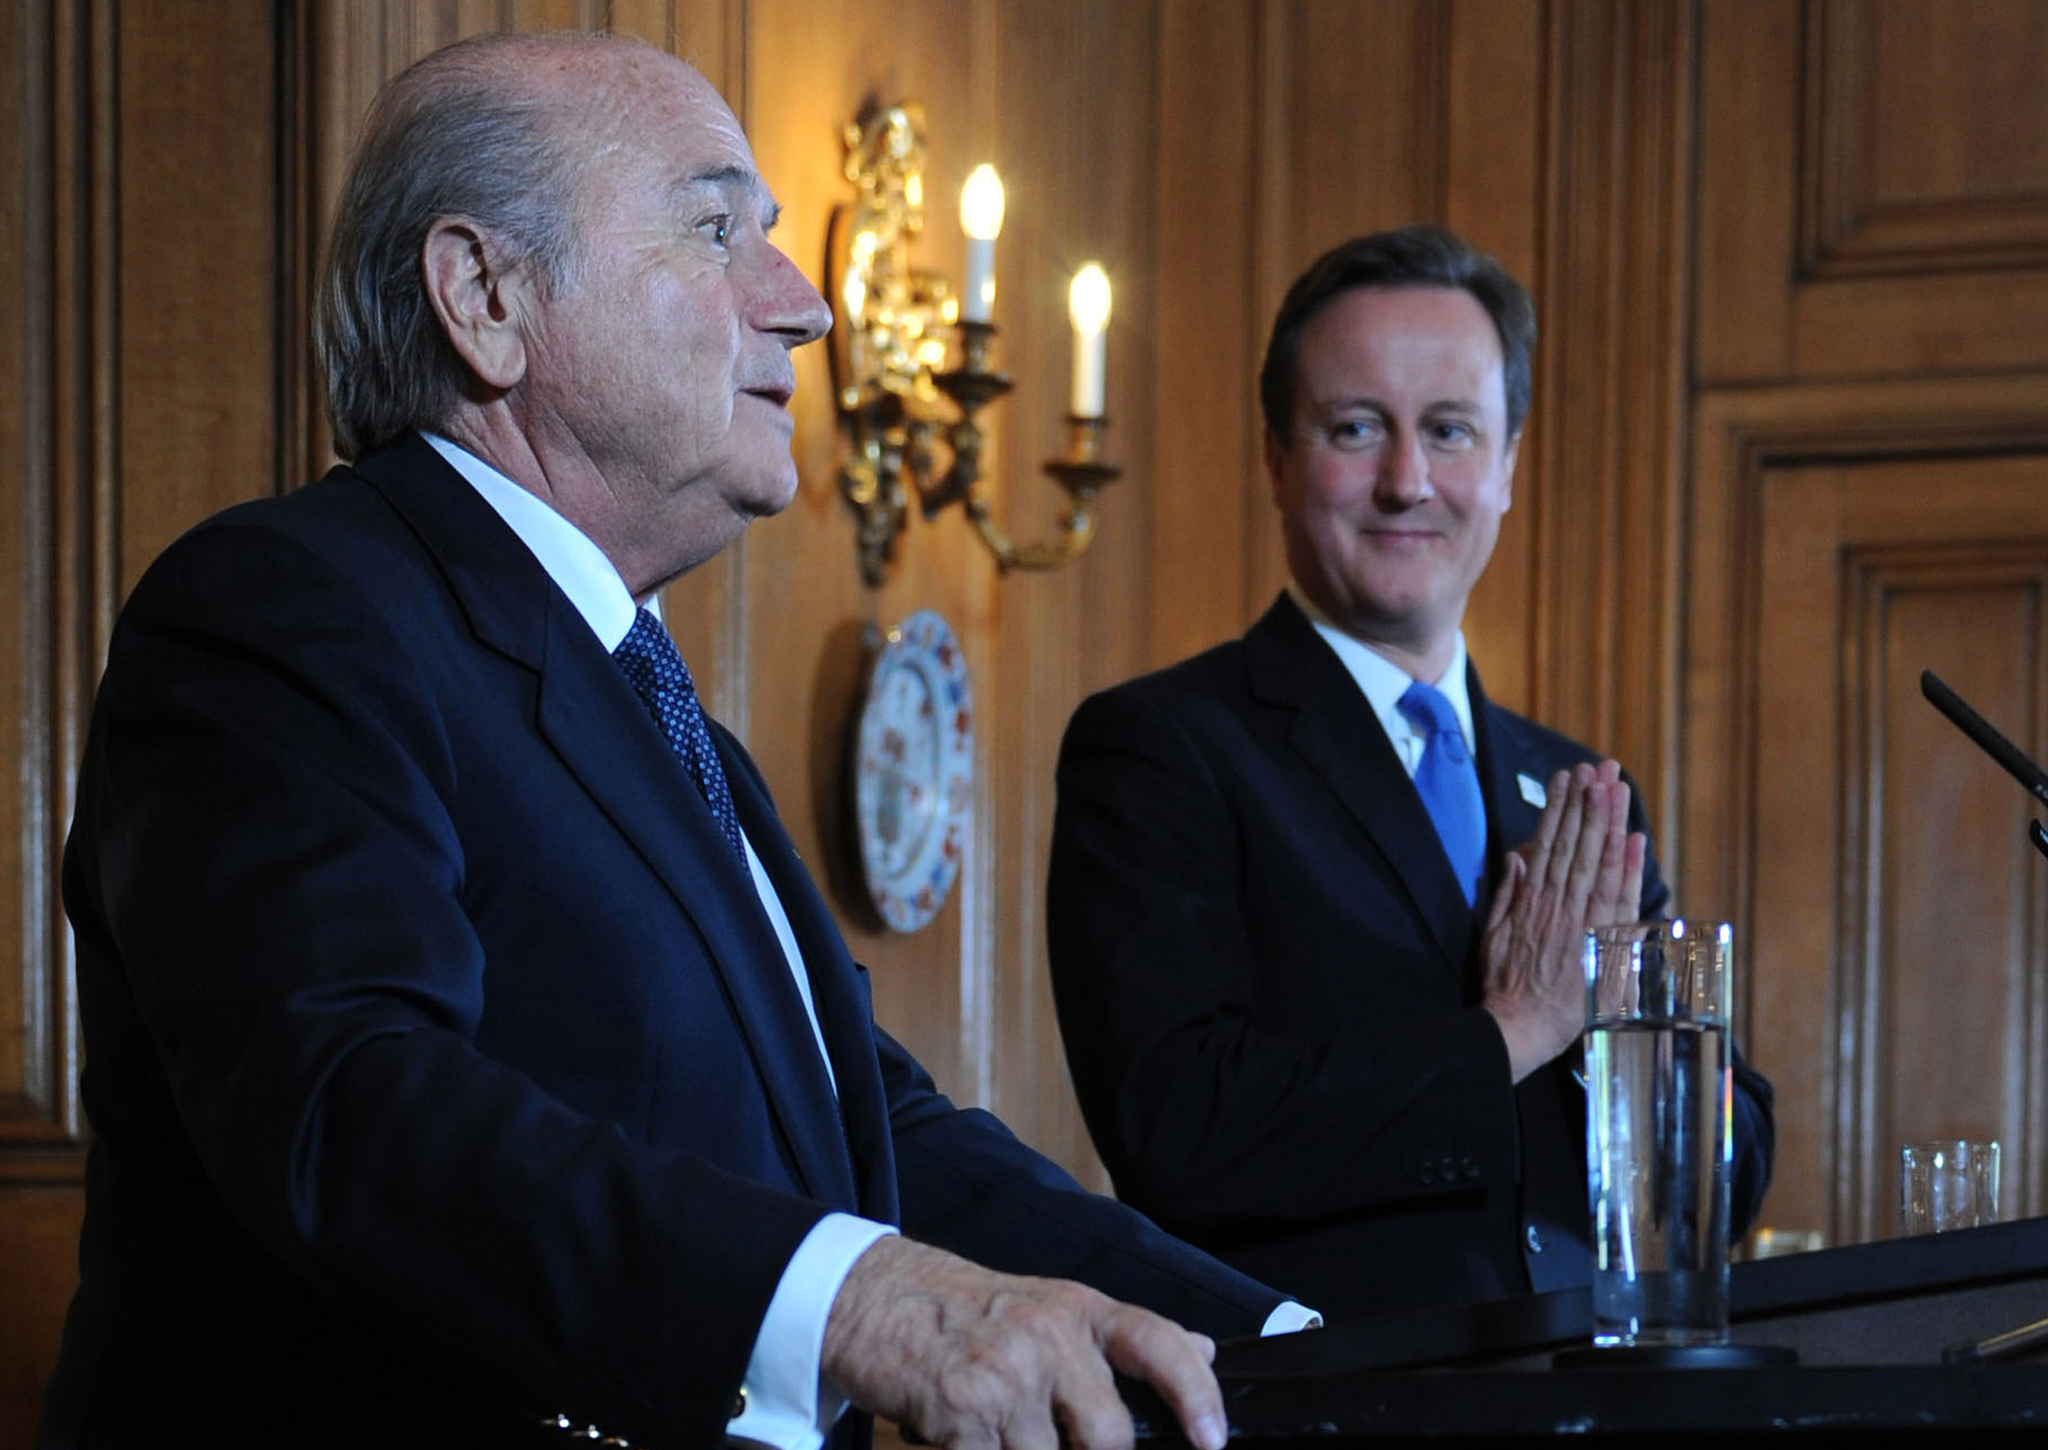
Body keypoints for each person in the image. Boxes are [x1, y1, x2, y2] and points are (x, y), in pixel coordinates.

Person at [39, 31, 1315, 1450]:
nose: (808, 305)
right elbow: (355, 1103)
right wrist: (854, 1304)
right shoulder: (284, 610)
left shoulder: (641, 694)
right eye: (717, 229)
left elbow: (876, 1133)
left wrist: (1285, 1349)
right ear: (483, 296)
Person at [1045, 225, 1774, 1321]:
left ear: (1506, 465)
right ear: (1275, 458)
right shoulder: (1161, 746)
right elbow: (1179, 1128)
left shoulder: (1572, 790)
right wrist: (1515, 1032)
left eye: (1448, 431)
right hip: (1325, 1402)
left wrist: (1620, 1048)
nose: (1405, 481)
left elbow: (1730, 1163)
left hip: (1589, 1393)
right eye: (1354, 429)